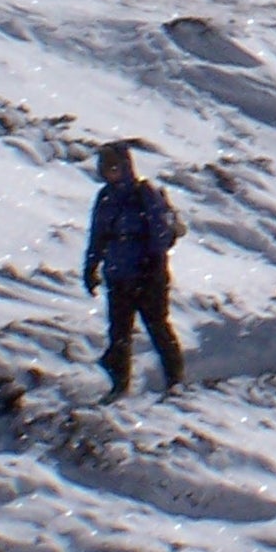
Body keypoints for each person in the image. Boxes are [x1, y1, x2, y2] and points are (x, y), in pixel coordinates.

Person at [82, 141, 186, 400]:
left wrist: (153, 263)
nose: (109, 172)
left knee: (157, 327)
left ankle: (175, 381)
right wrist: (91, 267)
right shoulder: (105, 197)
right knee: (119, 333)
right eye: (105, 167)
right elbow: (97, 235)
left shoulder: (143, 193)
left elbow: (159, 233)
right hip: (118, 275)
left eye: (113, 166)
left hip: (146, 274)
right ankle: (120, 386)